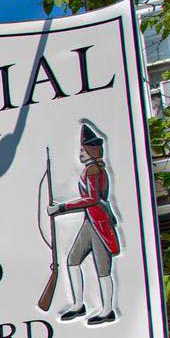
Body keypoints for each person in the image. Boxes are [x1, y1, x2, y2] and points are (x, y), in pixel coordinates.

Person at [51, 123, 121, 325]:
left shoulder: (93, 171)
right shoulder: (90, 170)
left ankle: (107, 309)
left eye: (82, 150)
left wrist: (62, 208)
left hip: (99, 222)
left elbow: (91, 198)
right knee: (73, 259)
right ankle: (78, 304)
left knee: (102, 268)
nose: (80, 153)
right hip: (90, 221)